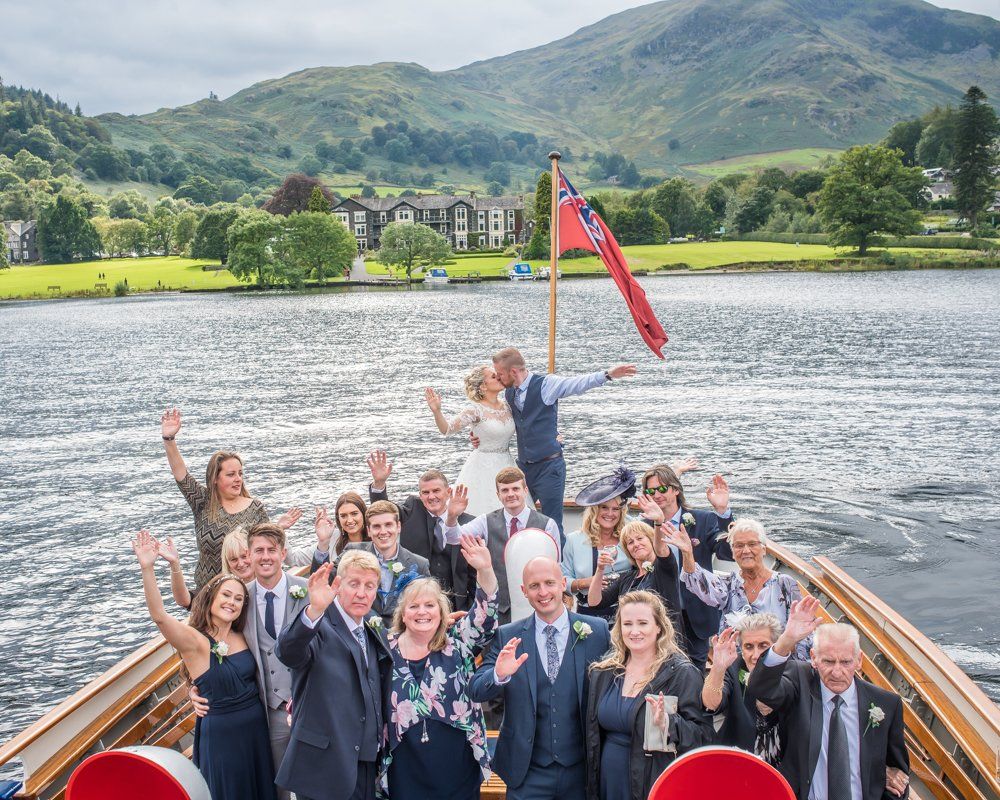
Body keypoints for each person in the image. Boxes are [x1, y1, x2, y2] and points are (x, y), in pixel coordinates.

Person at [131, 530, 275, 800]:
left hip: (256, 731)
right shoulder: (195, 642)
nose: (231, 602)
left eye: (238, 599)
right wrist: (147, 568)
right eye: (226, 596)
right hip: (223, 736)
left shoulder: (241, 633)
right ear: (211, 599)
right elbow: (160, 617)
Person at [468, 557, 611, 800]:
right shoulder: (508, 635)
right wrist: (499, 674)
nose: (543, 592)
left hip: (580, 771)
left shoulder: (596, 631)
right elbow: (476, 690)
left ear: (563, 584)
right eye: (534, 586)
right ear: (524, 591)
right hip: (527, 773)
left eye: (549, 583)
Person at [746, 597, 910, 800]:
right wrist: (787, 639)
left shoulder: (887, 704)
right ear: (813, 658)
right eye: (829, 661)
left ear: (859, 661)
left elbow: (899, 777)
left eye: (846, 662)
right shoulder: (799, 681)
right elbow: (761, 689)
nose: (837, 672)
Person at [384, 534, 500, 800]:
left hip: (455, 763)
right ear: (403, 613)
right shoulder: (384, 649)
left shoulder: (457, 642)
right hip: (405, 765)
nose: (422, 612)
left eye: (429, 605)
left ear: (441, 610)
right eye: (414, 606)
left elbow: (485, 616)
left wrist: (484, 569)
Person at [275, 550, 390, 800]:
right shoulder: (320, 624)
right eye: (354, 584)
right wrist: (314, 609)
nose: (362, 593)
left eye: (370, 586)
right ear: (338, 584)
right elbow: (288, 652)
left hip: (366, 761)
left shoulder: (372, 622)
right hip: (324, 766)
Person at [160, 408, 314, 590]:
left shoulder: (254, 508)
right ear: (215, 478)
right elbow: (180, 475)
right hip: (207, 592)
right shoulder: (202, 501)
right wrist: (169, 440)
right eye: (231, 474)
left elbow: (263, 546)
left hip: (244, 592)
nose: (238, 479)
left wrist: (277, 527)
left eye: (240, 474)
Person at [492, 346, 636, 536]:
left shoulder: (546, 385)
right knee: (517, 516)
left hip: (549, 467)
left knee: (552, 522)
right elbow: (508, 422)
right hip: (524, 467)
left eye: (500, 374)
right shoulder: (510, 392)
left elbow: (576, 384)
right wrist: (482, 435)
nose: (498, 378)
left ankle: (557, 564)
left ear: (513, 371)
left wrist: (607, 374)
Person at [585, 590, 712, 800]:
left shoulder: (681, 673)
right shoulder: (604, 673)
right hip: (607, 781)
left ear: (659, 627)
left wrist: (669, 724)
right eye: (627, 624)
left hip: (653, 782)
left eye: (643, 623)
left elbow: (703, 737)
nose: (634, 631)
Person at [667, 517, 810, 660]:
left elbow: (803, 631)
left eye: (752, 544)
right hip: (735, 664)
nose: (746, 550)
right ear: (733, 552)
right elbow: (697, 580)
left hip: (777, 662)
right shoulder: (729, 585)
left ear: (764, 549)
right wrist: (687, 552)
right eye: (739, 546)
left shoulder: (784, 584)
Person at [641, 464, 735, 668]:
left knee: (696, 669)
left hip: (696, 613)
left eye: (662, 489)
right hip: (661, 613)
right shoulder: (644, 527)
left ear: (676, 489)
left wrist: (722, 512)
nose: (657, 495)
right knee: (661, 669)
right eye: (651, 491)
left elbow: (726, 552)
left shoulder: (703, 519)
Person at [443, 466, 560, 624]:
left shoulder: (547, 524)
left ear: (525, 490)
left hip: (536, 606)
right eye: (505, 490)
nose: (511, 494)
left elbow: (556, 566)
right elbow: (453, 538)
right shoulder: (486, 521)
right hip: (499, 609)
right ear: (498, 495)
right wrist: (451, 516)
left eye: (515, 489)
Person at [367, 451, 476, 610]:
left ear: (448, 492)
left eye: (436, 491)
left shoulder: (469, 523)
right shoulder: (412, 509)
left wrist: (471, 609)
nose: (431, 497)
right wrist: (379, 484)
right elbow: (385, 512)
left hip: (458, 603)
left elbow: (474, 574)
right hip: (416, 602)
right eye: (426, 492)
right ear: (420, 495)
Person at [426, 364, 531, 516]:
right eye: (493, 377)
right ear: (483, 386)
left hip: (507, 462)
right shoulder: (475, 410)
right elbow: (447, 429)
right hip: (482, 465)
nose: (499, 378)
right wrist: (437, 411)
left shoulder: (508, 406)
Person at [315, 500, 431, 625]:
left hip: (402, 633)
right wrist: (323, 542)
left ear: (398, 527)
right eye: (376, 526)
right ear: (369, 530)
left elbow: (428, 603)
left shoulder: (419, 564)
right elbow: (321, 581)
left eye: (388, 525)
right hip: (362, 631)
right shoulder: (353, 551)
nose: (383, 531)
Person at [701, 614, 786, 765]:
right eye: (748, 647)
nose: (756, 655)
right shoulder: (734, 667)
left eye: (763, 646)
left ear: (776, 645)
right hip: (736, 763)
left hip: (782, 768)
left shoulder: (790, 670)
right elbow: (711, 704)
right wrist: (718, 668)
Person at [586, 495, 681, 625]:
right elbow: (594, 602)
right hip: (634, 639)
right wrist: (600, 569)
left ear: (652, 540)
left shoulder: (663, 568)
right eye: (630, 542)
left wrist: (659, 522)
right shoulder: (627, 578)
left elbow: (661, 550)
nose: (636, 544)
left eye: (640, 538)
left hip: (664, 639)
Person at [562, 469, 633, 619]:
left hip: (626, 612)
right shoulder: (574, 540)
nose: (610, 514)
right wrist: (584, 583)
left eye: (616, 509)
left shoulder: (629, 536)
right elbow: (563, 580)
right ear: (594, 510)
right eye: (604, 508)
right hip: (588, 613)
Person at [156, 528, 253, 609]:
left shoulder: (267, 582)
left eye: (244, 556)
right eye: (233, 559)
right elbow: (184, 600)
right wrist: (174, 563)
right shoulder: (220, 589)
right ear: (227, 564)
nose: (240, 564)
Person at [314, 492, 370, 561]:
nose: (349, 520)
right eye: (343, 516)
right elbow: (299, 558)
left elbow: (387, 563)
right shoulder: (331, 538)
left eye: (354, 514)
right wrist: (323, 542)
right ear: (338, 519)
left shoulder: (377, 538)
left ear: (363, 514)